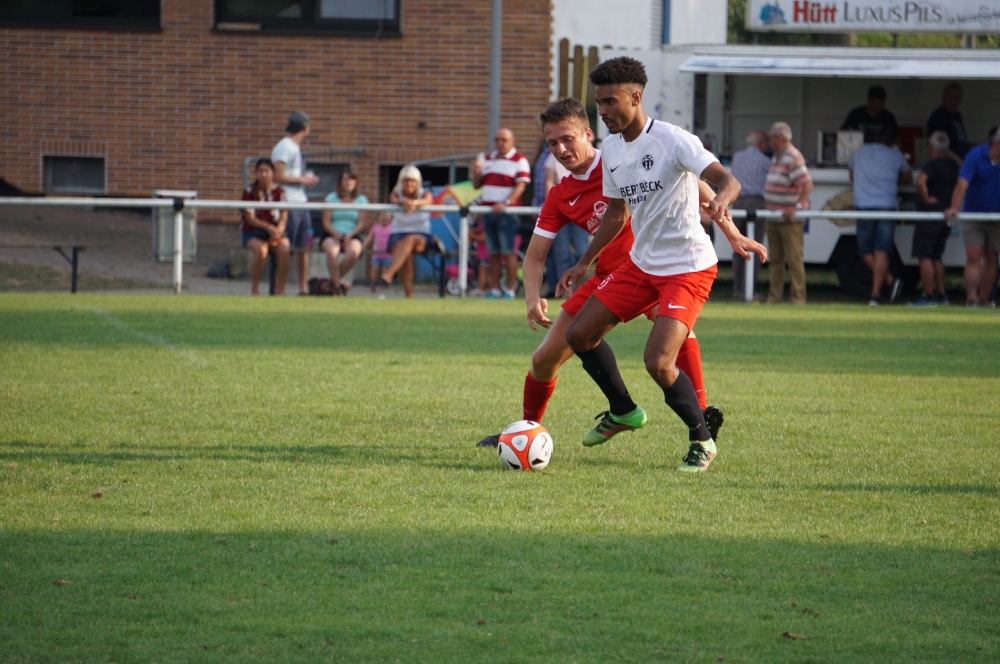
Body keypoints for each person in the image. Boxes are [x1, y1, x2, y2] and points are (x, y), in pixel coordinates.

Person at [475, 97, 726, 450]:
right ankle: (526, 433)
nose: (561, 149)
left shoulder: (619, 155)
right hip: (609, 275)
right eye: (552, 143)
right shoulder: (560, 195)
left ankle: (701, 415)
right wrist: (532, 298)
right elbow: (534, 258)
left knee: (674, 335)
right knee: (543, 359)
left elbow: (688, 177)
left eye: (568, 139)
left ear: (588, 134)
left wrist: (729, 228)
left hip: (653, 265)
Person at [561, 57, 766, 473]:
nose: (602, 112)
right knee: (580, 334)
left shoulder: (674, 141)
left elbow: (728, 181)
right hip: (641, 265)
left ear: (635, 98)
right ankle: (623, 410)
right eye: (598, 103)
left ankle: (701, 439)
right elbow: (617, 215)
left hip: (687, 267)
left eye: (610, 102)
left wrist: (724, 207)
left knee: (658, 361)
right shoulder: (612, 151)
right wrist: (584, 262)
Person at [849, 125, 911, 306]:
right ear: (893, 141)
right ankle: (877, 294)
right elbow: (908, 177)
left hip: (864, 206)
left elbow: (852, 175)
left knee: (865, 251)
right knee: (882, 250)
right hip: (887, 207)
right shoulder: (896, 155)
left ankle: (888, 284)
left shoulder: (860, 152)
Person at [471, 128, 531, 299]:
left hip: (507, 213)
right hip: (488, 212)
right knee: (493, 253)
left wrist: (506, 203)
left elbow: (521, 185)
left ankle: (510, 289)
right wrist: (475, 173)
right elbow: (476, 185)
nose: (500, 143)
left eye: (504, 140)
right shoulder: (487, 159)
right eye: (497, 139)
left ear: (512, 141)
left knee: (508, 251)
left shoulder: (519, 159)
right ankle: (495, 289)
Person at [944, 127, 1000, 308]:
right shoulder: (976, 155)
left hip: (997, 217)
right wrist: (954, 207)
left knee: (992, 257)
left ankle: (984, 299)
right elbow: (962, 184)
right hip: (973, 214)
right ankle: (971, 298)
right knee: (974, 256)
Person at [764, 122, 813, 305]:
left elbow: (807, 184)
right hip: (774, 216)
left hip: (789, 220)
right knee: (775, 259)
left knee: (793, 259)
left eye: (770, 138)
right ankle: (774, 297)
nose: (769, 142)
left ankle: (798, 298)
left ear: (779, 139)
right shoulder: (777, 157)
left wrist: (797, 207)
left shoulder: (793, 157)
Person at [271, 111, 319, 295]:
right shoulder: (285, 147)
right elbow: (277, 175)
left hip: (301, 203)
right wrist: (302, 180)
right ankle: (278, 289)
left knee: (303, 247)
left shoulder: (294, 147)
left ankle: (302, 288)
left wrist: (302, 179)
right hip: (288, 203)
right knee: (285, 248)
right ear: (305, 128)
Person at [910, 132, 959, 307]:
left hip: (929, 215)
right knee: (937, 257)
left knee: (925, 258)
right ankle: (942, 295)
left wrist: (926, 198)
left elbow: (921, 181)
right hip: (945, 215)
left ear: (930, 148)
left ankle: (928, 296)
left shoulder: (931, 165)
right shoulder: (954, 166)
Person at [378, 165, 434, 298]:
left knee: (410, 239)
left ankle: (389, 273)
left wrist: (414, 203)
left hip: (421, 234)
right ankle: (409, 294)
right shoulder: (396, 194)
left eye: (412, 180)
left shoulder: (425, 193)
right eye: (406, 180)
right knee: (405, 253)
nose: (409, 183)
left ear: (417, 182)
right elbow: (394, 199)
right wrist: (404, 202)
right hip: (398, 234)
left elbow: (428, 200)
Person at [729, 129, 771, 300]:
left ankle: (737, 289)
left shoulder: (737, 157)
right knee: (754, 247)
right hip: (756, 203)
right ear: (761, 144)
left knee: (737, 247)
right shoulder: (766, 161)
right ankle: (750, 291)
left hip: (738, 203)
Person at [240, 158, 290, 296]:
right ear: (256, 173)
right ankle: (255, 289)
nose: (263, 174)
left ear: (273, 173)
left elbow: (284, 215)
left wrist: (278, 231)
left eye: (266, 171)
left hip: (274, 232)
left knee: (284, 249)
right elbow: (250, 218)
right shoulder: (249, 191)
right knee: (261, 251)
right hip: (253, 232)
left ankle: (280, 290)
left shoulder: (280, 193)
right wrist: (269, 228)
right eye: (260, 171)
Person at [319, 170, 370, 295]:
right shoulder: (331, 198)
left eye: (351, 179)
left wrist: (351, 234)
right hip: (332, 233)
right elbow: (326, 222)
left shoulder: (362, 200)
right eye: (345, 179)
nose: (349, 182)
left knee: (354, 252)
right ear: (340, 182)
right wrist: (335, 233)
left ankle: (331, 283)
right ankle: (337, 288)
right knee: (332, 252)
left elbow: (361, 223)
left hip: (352, 234)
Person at [926, 82, 970, 160]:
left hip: (962, 158)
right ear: (943, 97)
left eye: (956, 99)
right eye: (950, 98)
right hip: (947, 162)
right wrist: (958, 161)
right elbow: (939, 145)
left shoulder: (957, 115)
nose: (953, 102)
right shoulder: (938, 117)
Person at [365, 213, 393, 291]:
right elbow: (369, 237)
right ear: (379, 219)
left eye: (387, 219)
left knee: (385, 270)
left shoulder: (392, 228)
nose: (385, 221)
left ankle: (385, 284)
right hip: (376, 253)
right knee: (374, 269)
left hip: (387, 253)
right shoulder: (375, 227)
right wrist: (363, 245)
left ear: (390, 220)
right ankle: (373, 283)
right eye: (383, 219)